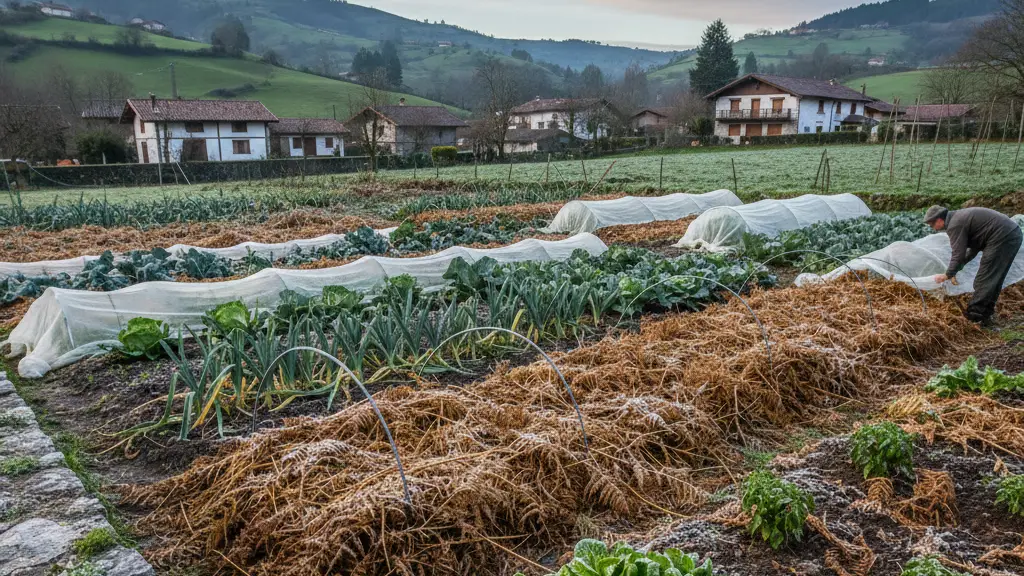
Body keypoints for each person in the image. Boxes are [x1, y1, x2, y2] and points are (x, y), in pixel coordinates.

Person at [924, 205, 1022, 325]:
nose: (933, 229)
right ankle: (985, 315)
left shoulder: (955, 224)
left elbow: (958, 254)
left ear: (939, 220)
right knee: (994, 278)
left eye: (932, 225)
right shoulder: (958, 218)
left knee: (984, 278)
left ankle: (974, 317)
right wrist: (956, 270)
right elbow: (972, 250)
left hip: (1003, 237)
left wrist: (947, 275)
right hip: (1011, 234)